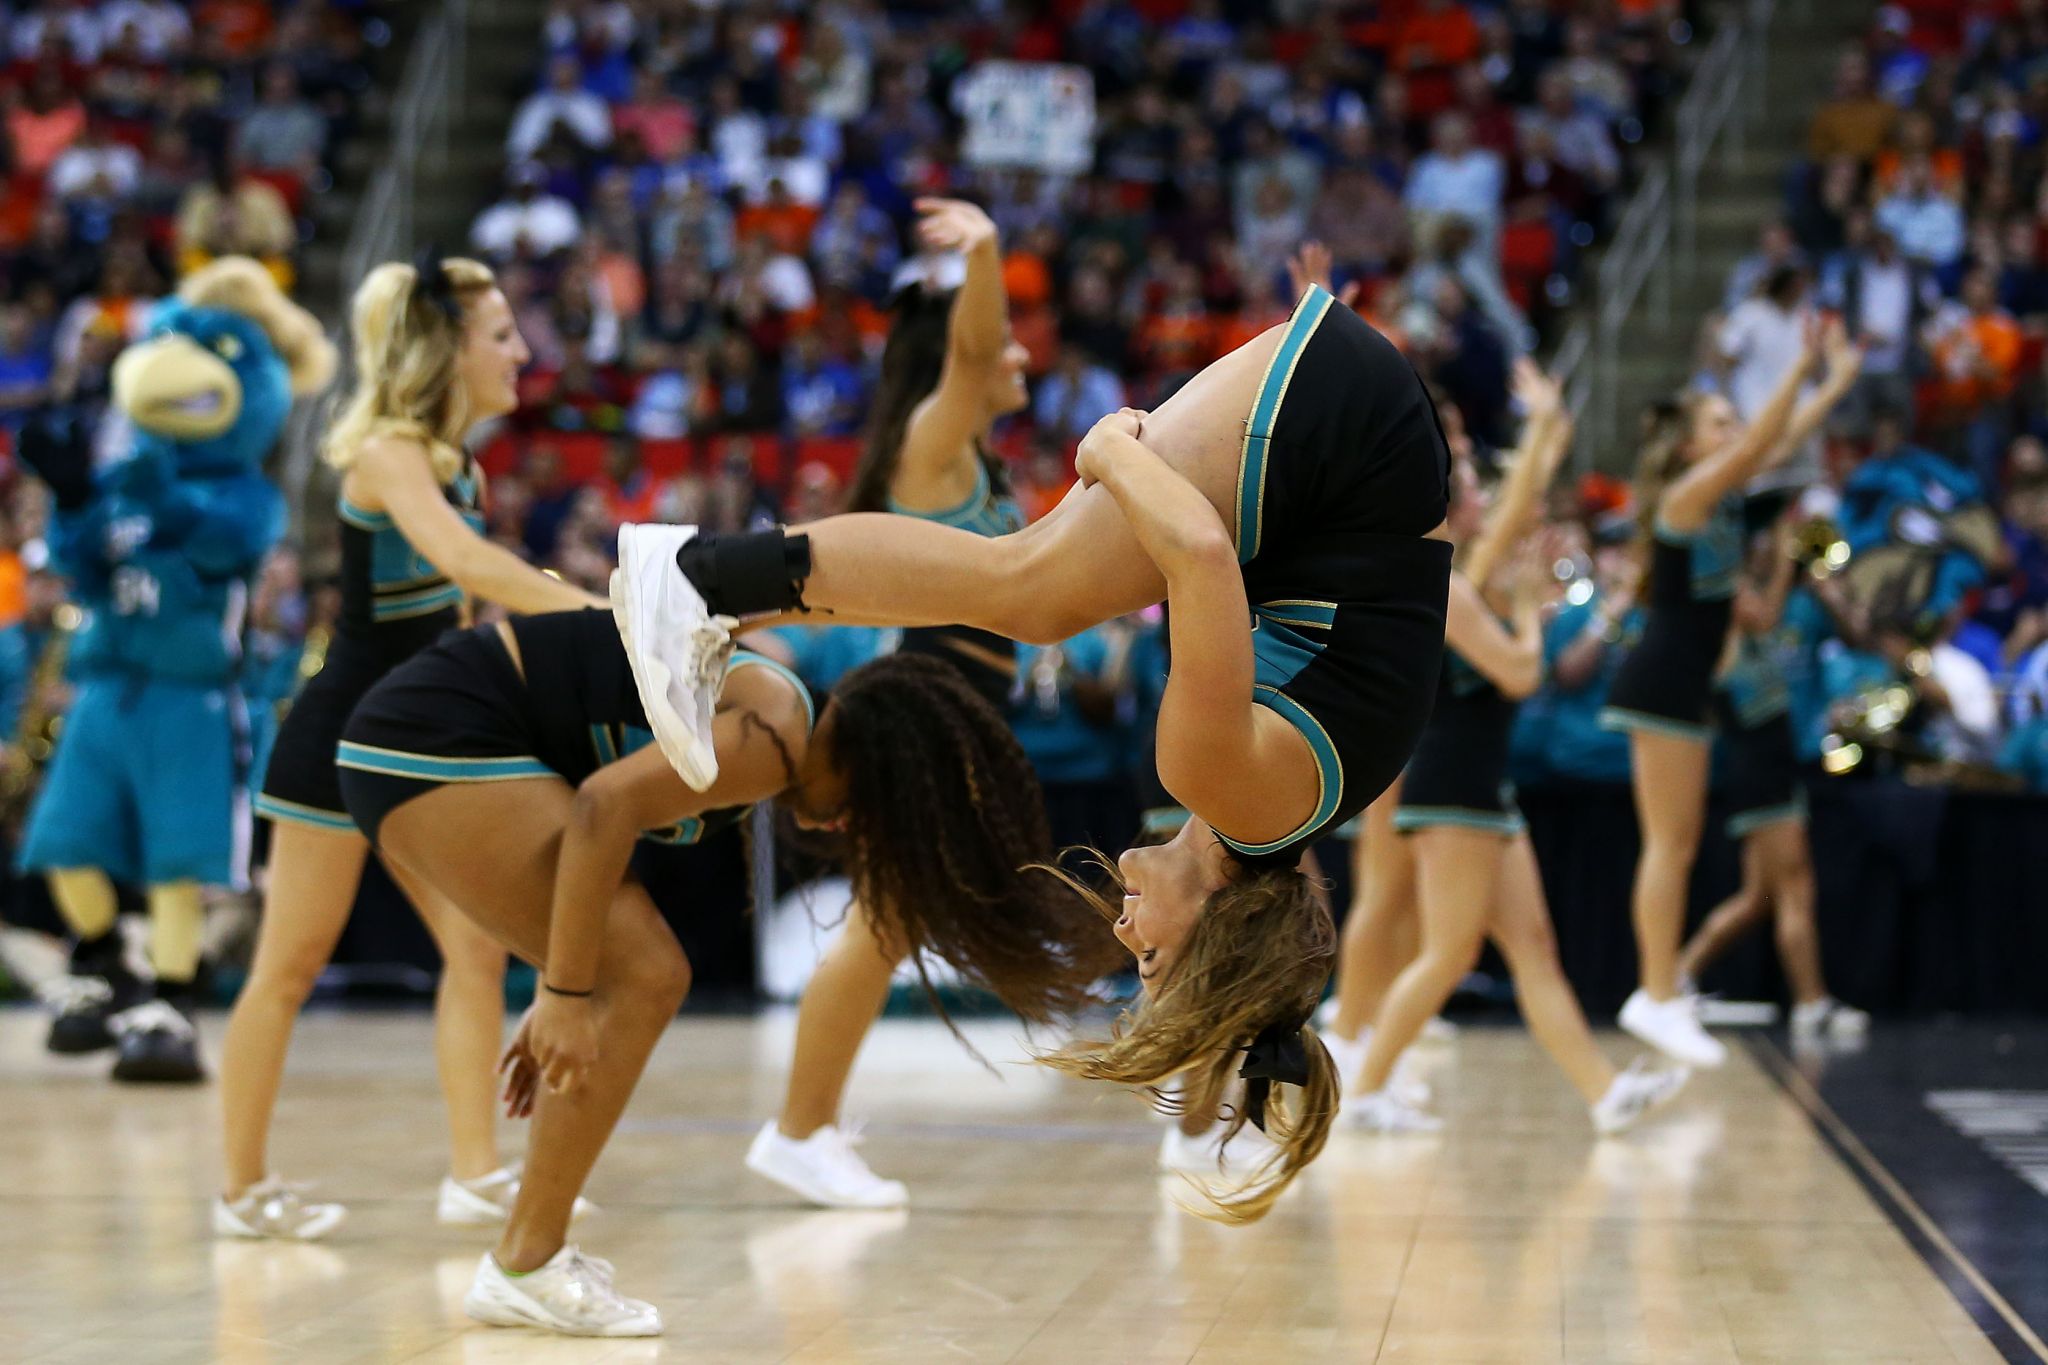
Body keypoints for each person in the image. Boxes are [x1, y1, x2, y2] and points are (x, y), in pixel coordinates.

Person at [616, 276, 1455, 1220]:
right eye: (1150, 957)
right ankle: (698, 577)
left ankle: (709, 587)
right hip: (1342, 439)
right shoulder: (1223, 782)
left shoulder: (1282, 811)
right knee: (1028, 588)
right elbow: (1201, 557)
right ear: (1217, 925)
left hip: (1359, 443)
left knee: (1038, 584)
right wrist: (1109, 449)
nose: (1125, 934)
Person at [334, 608, 1106, 1336]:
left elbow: (578, 783)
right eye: (875, 808)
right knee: (647, 974)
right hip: (436, 736)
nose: (849, 827)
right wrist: (568, 988)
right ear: (879, 764)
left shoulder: (781, 727)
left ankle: (527, 1257)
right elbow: (601, 807)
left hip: (429, 733)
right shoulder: (777, 732)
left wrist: (554, 972)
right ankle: (526, 1261)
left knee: (635, 970)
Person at [215, 255, 604, 1241]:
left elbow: (469, 613)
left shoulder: (459, 463)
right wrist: (612, 614)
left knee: (476, 948)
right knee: (289, 965)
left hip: (415, 745)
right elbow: (471, 565)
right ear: (445, 348)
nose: (520, 350)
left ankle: (474, 1174)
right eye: (501, 334)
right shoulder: (386, 451)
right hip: (337, 737)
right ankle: (241, 1189)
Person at [744, 197, 1033, 1209]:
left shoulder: (969, 461)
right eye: (1005, 347)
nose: (1018, 357)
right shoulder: (931, 436)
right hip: (924, 706)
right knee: (883, 919)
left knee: (888, 919)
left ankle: (807, 1124)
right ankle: (800, 1127)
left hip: (949, 707)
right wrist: (987, 250)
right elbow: (973, 348)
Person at [1601, 319, 1862, 1067]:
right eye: (1718, 421)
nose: (1735, 428)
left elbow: (1779, 445)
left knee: (1676, 847)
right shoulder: (1685, 497)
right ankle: (1655, 992)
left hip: (1680, 691)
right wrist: (1802, 361)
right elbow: (1758, 448)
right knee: (1670, 846)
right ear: (1688, 445)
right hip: (1659, 685)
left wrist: (1834, 381)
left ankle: (1661, 990)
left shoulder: (1721, 501)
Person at [1676, 521, 1869, 1040]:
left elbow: (1844, 629)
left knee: (1759, 896)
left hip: (1771, 768)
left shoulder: (1744, 627)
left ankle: (1678, 977)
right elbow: (1766, 617)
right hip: (1758, 770)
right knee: (1796, 887)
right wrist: (1785, 557)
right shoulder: (1720, 633)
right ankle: (1812, 1003)